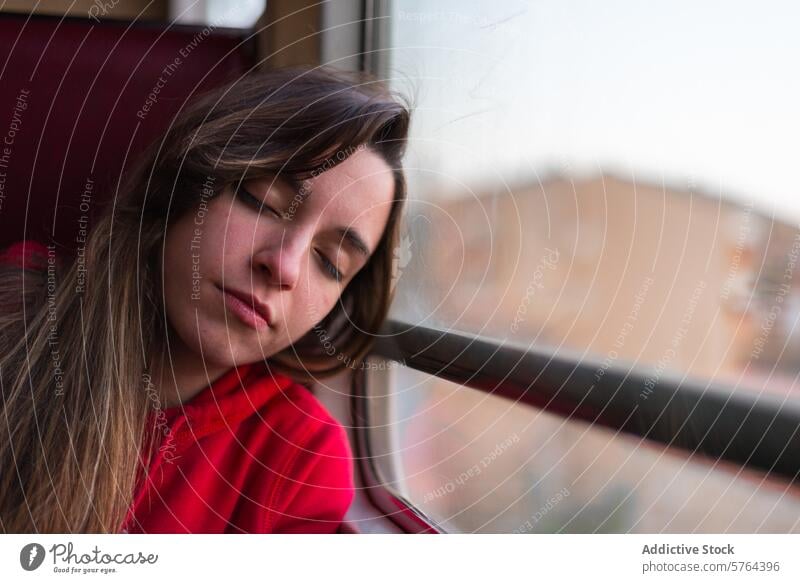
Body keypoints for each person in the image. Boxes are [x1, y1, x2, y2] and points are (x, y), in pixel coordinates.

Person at [0, 65, 410, 533]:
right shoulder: (19, 309)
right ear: (183, 185)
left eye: (330, 261)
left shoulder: (299, 457)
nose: (285, 267)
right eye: (263, 203)